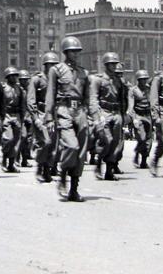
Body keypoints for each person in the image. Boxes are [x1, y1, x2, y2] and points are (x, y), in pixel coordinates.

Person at [45, 36, 91, 202]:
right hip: (63, 109)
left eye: (78, 51)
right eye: (72, 51)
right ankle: (63, 172)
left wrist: (91, 115)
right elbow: (50, 94)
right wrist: (49, 117)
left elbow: (88, 97)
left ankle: (74, 189)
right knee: (71, 146)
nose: (76, 54)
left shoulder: (84, 73)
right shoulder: (56, 70)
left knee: (81, 152)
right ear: (65, 52)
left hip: (80, 112)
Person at [90, 52, 124, 181]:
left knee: (116, 143)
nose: (114, 66)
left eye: (115, 64)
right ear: (106, 65)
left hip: (116, 113)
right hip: (104, 112)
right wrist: (97, 116)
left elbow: (123, 98)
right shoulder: (98, 80)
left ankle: (109, 171)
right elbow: (93, 99)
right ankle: (99, 163)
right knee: (107, 140)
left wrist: (123, 114)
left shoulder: (118, 81)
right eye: (111, 64)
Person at [27, 52, 58, 183]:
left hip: (53, 114)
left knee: (53, 145)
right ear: (45, 65)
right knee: (44, 142)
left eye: (54, 65)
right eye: (50, 65)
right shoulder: (37, 80)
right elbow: (30, 100)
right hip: (40, 113)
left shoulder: (57, 80)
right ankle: (40, 168)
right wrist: (35, 117)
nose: (52, 68)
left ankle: (47, 169)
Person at [0, 66, 26, 173]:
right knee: (8, 139)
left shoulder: (19, 89)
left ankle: (11, 164)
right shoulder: (3, 88)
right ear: (7, 77)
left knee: (16, 141)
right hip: (6, 115)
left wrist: (22, 117)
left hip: (17, 115)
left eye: (16, 76)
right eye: (12, 76)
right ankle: (4, 159)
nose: (15, 78)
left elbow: (22, 104)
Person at [127, 69, 152, 169]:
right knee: (142, 137)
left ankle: (144, 161)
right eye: (142, 79)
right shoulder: (133, 90)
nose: (144, 81)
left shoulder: (149, 89)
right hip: (138, 115)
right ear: (138, 80)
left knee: (149, 140)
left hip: (148, 115)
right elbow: (131, 107)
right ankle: (137, 152)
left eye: (145, 79)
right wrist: (134, 119)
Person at [17, 69, 33, 168]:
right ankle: (17, 158)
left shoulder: (30, 90)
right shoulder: (18, 90)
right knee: (21, 138)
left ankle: (25, 159)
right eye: (22, 79)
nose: (25, 81)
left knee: (28, 139)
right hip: (20, 116)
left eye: (26, 79)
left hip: (29, 116)